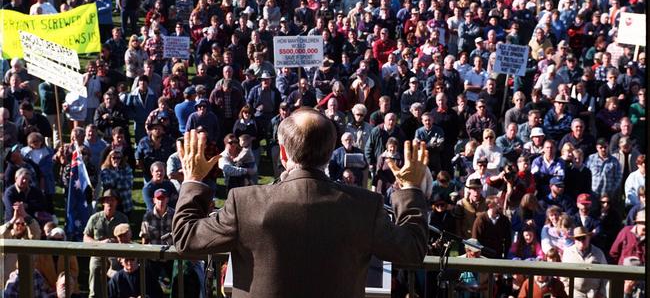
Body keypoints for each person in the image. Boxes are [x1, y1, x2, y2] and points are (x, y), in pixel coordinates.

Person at [172, 108, 431, 297]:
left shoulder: (245, 202)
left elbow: (186, 238)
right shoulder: (364, 205)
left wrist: (193, 179)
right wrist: (409, 188)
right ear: (331, 153)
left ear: (282, 153)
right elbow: (412, 249)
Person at [84, 189, 129, 298]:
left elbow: (128, 237)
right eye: (107, 200)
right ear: (103, 203)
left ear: (116, 202)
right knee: (95, 268)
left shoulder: (122, 218)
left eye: (112, 200)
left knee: (121, 276)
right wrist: (99, 243)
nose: (110, 203)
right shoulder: (94, 218)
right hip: (98, 253)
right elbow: (86, 237)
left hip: (117, 255)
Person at [561, 227, 608, 298]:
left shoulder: (598, 253)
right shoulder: (568, 253)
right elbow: (563, 276)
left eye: (583, 238)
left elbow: (606, 275)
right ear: (574, 240)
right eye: (578, 238)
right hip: (574, 292)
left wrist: (601, 292)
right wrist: (568, 291)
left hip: (594, 292)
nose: (581, 241)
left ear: (589, 238)